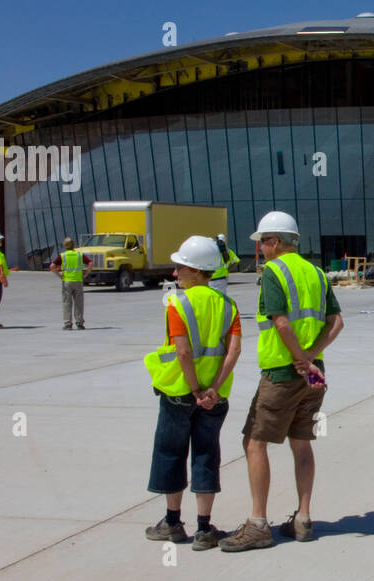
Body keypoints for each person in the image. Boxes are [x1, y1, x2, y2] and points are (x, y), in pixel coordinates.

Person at [220, 211, 344, 552]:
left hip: (281, 373)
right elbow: (336, 323)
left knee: (254, 442)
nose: (259, 249)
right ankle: (303, 519)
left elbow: (281, 323)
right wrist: (311, 359)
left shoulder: (274, 271)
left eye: (261, 242)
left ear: (274, 242)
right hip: (313, 376)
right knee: (301, 444)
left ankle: (258, 524)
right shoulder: (316, 273)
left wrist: (298, 360)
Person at [143, 236, 243, 551]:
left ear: (197, 271)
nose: (175, 274)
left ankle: (172, 523)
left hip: (180, 394)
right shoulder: (228, 305)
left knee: (171, 453)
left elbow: (183, 352)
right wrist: (213, 388)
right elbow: (234, 350)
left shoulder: (178, 304)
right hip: (215, 398)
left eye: (180, 267)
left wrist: (196, 388)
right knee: (205, 455)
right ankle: (204, 529)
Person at [49, 237, 88, 329]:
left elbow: (52, 266)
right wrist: (85, 274)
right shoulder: (79, 255)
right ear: (73, 245)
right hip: (78, 281)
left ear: (64, 246)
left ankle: (68, 324)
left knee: (67, 303)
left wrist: (59, 275)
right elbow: (90, 263)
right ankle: (79, 323)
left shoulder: (62, 256)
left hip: (67, 281)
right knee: (78, 303)